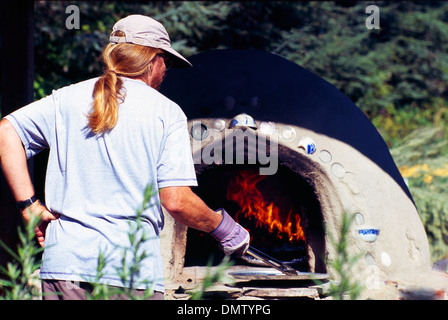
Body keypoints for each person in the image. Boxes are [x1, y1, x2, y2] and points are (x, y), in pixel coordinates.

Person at [0, 14, 249, 300]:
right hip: (129, 276)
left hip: (64, 269)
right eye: (165, 61)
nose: (166, 70)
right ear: (152, 59)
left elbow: (7, 132)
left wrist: (29, 207)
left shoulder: (66, 98)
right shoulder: (166, 112)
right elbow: (177, 201)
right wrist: (224, 228)